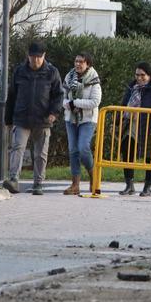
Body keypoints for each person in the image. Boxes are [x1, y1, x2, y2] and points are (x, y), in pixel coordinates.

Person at [4, 41, 63, 195]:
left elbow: (58, 95)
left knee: (40, 154)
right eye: (32, 57)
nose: (35, 60)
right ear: (28, 56)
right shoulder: (19, 71)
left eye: (38, 57)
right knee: (17, 148)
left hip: (43, 120)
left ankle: (38, 183)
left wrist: (53, 113)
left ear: (44, 56)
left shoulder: (52, 72)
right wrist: (8, 120)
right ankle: (13, 179)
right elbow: (11, 96)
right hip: (21, 118)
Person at [119, 61, 151, 197]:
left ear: (150, 76)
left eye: (142, 75)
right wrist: (119, 121)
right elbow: (123, 104)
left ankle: (147, 186)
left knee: (150, 156)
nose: (139, 78)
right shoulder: (131, 87)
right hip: (131, 124)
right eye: (137, 75)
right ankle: (129, 185)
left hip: (148, 127)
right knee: (127, 152)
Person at [61, 52, 102, 196]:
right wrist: (68, 105)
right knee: (73, 150)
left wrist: (76, 103)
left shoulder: (94, 79)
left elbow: (95, 101)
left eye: (81, 62)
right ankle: (75, 185)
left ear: (88, 64)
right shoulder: (68, 77)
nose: (78, 64)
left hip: (87, 119)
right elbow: (63, 98)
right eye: (76, 61)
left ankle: (93, 176)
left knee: (83, 148)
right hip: (71, 118)